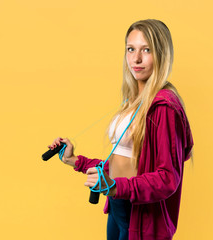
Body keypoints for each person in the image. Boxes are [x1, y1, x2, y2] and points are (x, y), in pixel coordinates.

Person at [48, 19, 194, 240]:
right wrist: (75, 160)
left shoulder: (164, 106)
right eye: (130, 49)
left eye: (146, 50)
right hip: (118, 207)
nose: (136, 59)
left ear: (162, 54)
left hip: (137, 213)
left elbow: (167, 178)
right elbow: (123, 164)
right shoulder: (134, 101)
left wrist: (115, 187)